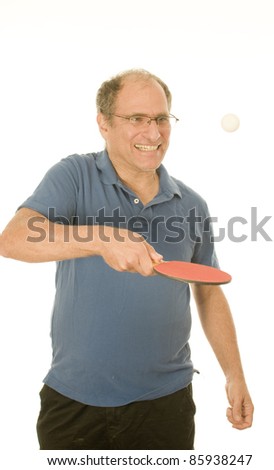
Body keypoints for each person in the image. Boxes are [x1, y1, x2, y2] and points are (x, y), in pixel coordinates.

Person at [0, 69, 253, 450]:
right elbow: (14, 239)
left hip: (166, 404)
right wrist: (101, 238)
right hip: (73, 402)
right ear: (103, 123)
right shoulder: (74, 175)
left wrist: (234, 375)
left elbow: (209, 292)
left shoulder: (192, 205)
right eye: (136, 119)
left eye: (161, 119)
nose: (153, 134)